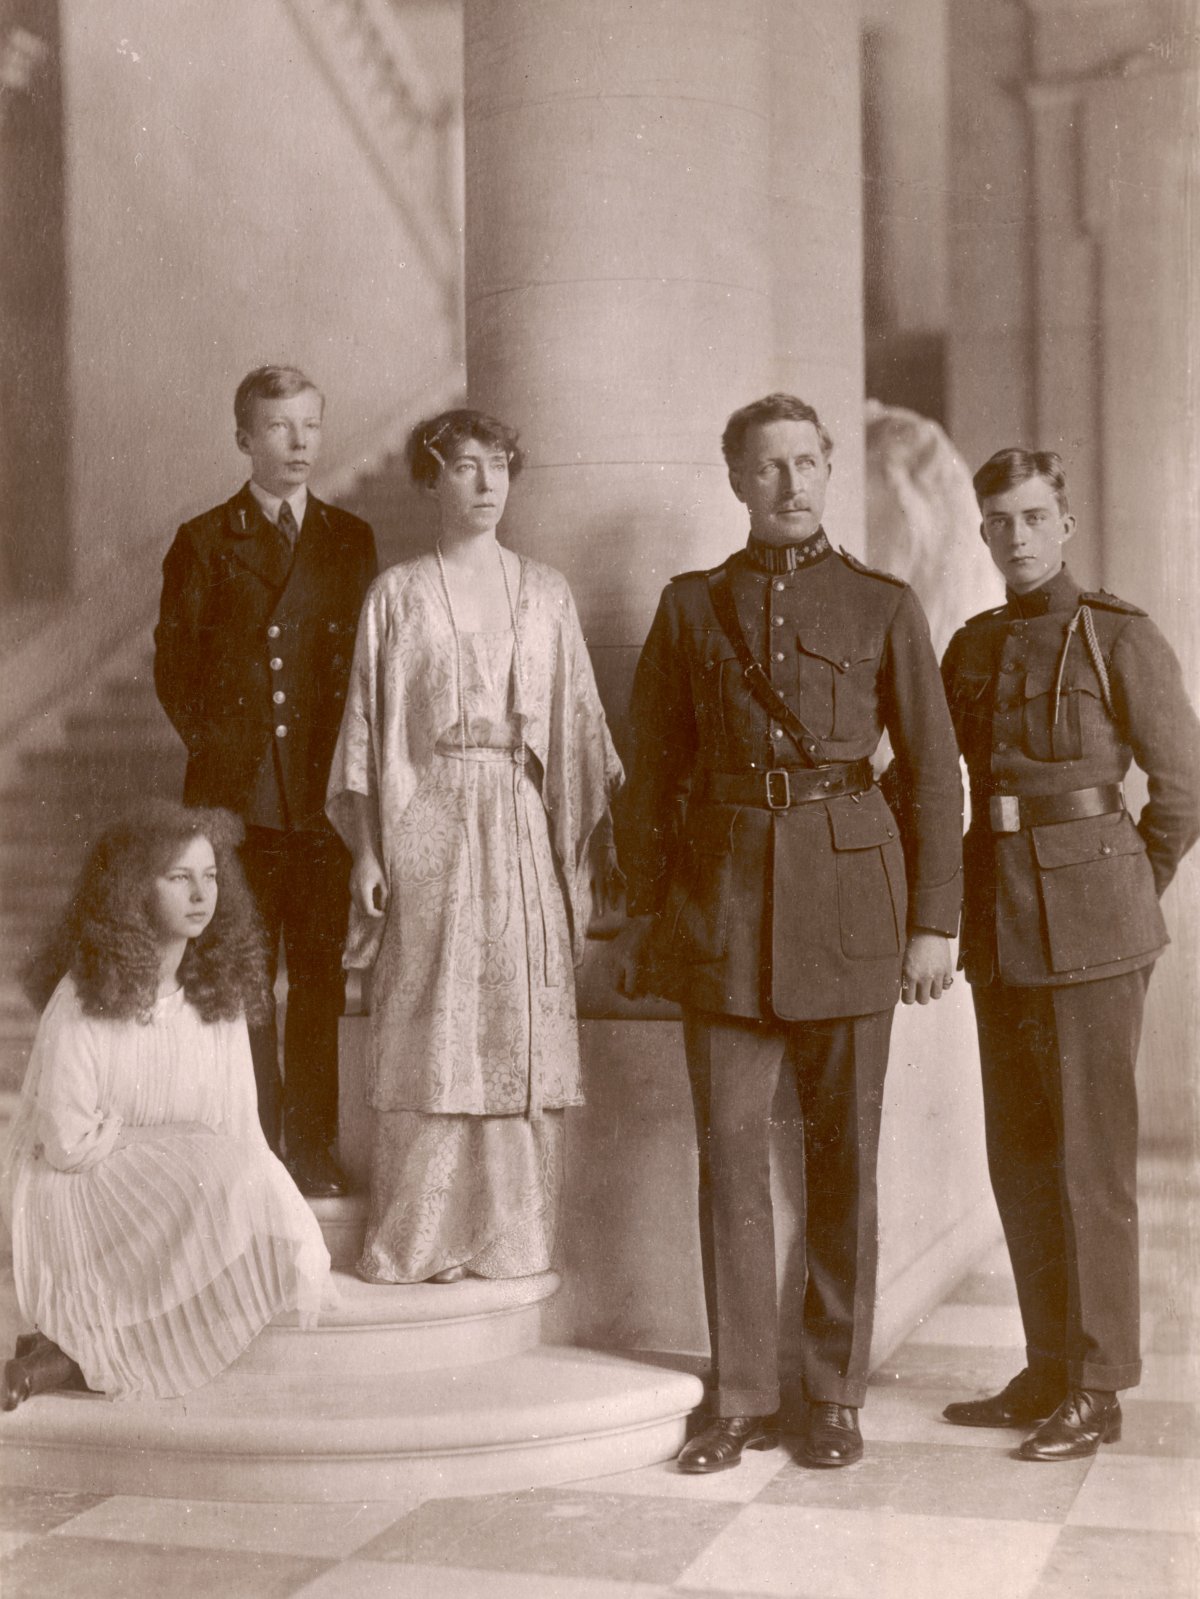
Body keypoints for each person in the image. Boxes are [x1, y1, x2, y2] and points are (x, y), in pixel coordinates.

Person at [615, 393, 962, 1473]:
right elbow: (650, 776)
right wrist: (646, 911)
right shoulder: (691, 608)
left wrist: (934, 922)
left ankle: (833, 1394)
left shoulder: (883, 604)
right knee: (729, 1163)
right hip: (721, 912)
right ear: (736, 480)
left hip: (853, 909)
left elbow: (933, 774)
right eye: (768, 466)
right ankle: (743, 1398)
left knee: (841, 1161)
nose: (791, 483)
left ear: (829, 471)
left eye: (807, 462)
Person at [940, 449, 1200, 1460]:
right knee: (1020, 1155)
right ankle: (1048, 1365)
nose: (1018, 536)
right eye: (1000, 520)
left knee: (1090, 1160)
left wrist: (1124, 886)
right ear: (983, 532)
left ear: (1066, 524)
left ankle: (1099, 1385)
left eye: (1035, 516)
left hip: (1095, 927)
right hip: (999, 920)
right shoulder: (971, 646)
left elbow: (1183, 786)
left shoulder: (1118, 634)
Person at [326, 408, 622, 1285]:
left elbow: (579, 728)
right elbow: (366, 732)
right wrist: (368, 851)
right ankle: (420, 1238)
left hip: (520, 819)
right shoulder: (397, 594)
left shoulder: (548, 592)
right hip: (429, 820)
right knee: (430, 1021)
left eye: (498, 464)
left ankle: (510, 1239)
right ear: (430, 480)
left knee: (515, 1018)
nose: (487, 483)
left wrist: (580, 853)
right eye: (464, 466)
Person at [0, 803, 330, 1409]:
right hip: (76, 1184)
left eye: (211, 876)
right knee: (216, 1182)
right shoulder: (84, 996)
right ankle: (73, 1351)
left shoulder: (218, 995)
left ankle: (68, 1354)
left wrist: (275, 1209)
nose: (202, 894)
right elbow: (65, 1143)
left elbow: (238, 1128)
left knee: (276, 1237)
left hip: (178, 1184)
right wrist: (172, 1143)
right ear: (134, 890)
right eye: (179, 877)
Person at [154, 366, 377, 1196]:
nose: (299, 442)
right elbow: (176, 672)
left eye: (310, 425)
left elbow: (366, 671)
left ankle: (311, 1149)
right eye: (280, 427)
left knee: (317, 981)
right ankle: (254, 1147)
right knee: (243, 979)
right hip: (237, 807)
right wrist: (232, 758)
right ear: (245, 438)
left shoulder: (350, 539)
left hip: (322, 804)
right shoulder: (205, 540)